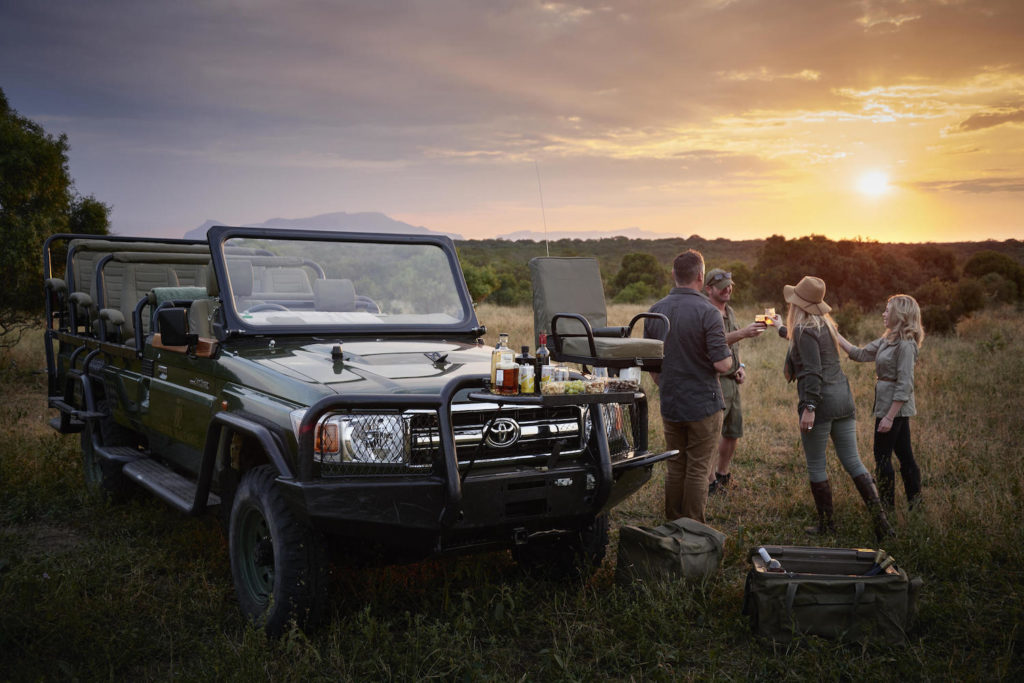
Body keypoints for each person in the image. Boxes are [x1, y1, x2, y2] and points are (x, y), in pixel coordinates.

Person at [782, 276, 894, 540]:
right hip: (843, 399)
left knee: (817, 466)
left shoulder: (802, 329)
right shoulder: (826, 325)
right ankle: (882, 523)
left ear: (797, 304)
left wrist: (809, 406)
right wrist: (780, 328)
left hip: (820, 403)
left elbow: (811, 370)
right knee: (853, 461)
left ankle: (827, 526)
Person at [644, 250, 733, 523]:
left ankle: (672, 523)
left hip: (671, 402)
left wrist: (667, 383)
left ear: (674, 275)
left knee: (675, 467)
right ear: (700, 276)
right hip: (703, 404)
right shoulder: (709, 312)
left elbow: (652, 366)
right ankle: (693, 530)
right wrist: (731, 362)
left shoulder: (655, 311)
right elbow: (722, 365)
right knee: (697, 469)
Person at [838, 294, 924, 510]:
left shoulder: (905, 345)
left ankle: (886, 508)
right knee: (905, 455)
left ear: (900, 315)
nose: (884, 314)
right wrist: (833, 333)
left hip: (893, 408)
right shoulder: (889, 340)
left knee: (882, 457)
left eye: (888, 310)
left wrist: (889, 416)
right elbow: (859, 354)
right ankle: (915, 504)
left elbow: (905, 384)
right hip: (888, 405)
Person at [702, 268, 767, 495]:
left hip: (732, 380)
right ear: (709, 289)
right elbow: (712, 345)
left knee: (732, 431)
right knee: (712, 434)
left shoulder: (729, 311)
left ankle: (722, 474)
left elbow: (732, 347)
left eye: (730, 285)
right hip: (714, 381)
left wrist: (740, 366)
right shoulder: (706, 312)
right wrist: (743, 333)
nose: (728, 289)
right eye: (722, 287)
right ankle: (708, 482)